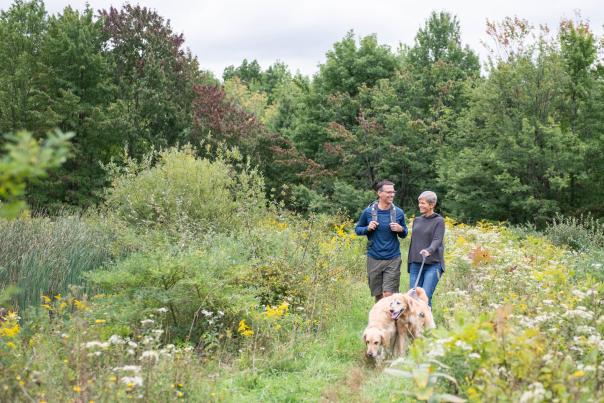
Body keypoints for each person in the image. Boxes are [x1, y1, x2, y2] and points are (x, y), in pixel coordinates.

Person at [355, 180, 408, 302]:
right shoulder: (368, 212)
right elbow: (358, 229)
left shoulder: (398, 212)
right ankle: (380, 319)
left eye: (393, 192)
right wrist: (367, 228)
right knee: (378, 295)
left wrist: (400, 229)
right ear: (379, 193)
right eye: (388, 192)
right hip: (374, 257)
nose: (392, 195)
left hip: (393, 257)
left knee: (389, 294)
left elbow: (404, 233)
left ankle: (390, 320)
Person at [407, 191, 445, 307]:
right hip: (416, 264)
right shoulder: (417, 220)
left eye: (423, 203)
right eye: (419, 203)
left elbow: (437, 240)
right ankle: (416, 325)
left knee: (425, 296)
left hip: (433, 264)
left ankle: (427, 324)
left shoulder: (439, 221)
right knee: (413, 298)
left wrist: (429, 250)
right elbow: (414, 242)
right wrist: (410, 262)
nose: (420, 205)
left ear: (432, 204)